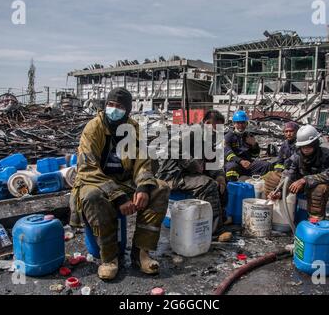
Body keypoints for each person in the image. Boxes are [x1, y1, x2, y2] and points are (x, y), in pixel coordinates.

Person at [69, 87, 170, 280]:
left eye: (120, 106)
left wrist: (143, 187)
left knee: (161, 188)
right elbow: (88, 168)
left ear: (128, 110)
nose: (114, 109)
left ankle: (141, 253)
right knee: (92, 196)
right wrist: (120, 197)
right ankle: (109, 258)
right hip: (96, 181)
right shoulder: (94, 127)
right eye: (110, 105)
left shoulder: (133, 128)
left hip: (124, 181)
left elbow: (142, 161)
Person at [156, 109, 230, 239]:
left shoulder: (208, 140)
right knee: (208, 184)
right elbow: (172, 147)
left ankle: (221, 218)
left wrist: (220, 176)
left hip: (190, 176)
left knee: (221, 182)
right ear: (207, 123)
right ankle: (215, 232)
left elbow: (213, 164)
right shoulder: (190, 133)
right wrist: (191, 163)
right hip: (173, 176)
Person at [267, 124, 329, 222]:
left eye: (309, 146)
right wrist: (280, 190)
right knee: (273, 178)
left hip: (321, 183)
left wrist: (305, 180)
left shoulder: (326, 153)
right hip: (301, 182)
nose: (306, 149)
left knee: (318, 191)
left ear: (315, 143)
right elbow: (289, 174)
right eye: (303, 146)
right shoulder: (297, 155)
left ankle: (315, 223)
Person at [224, 110, 272, 181]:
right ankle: (231, 188)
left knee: (266, 165)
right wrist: (241, 161)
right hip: (235, 163)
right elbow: (227, 154)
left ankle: (258, 186)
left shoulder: (249, 136)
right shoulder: (228, 136)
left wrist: (254, 145)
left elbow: (255, 155)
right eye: (238, 123)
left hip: (248, 163)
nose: (241, 125)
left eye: (243, 123)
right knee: (231, 167)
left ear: (246, 124)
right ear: (234, 124)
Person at [264, 121, 299, 195]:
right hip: (285, 172)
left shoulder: (300, 144)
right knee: (269, 177)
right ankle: (270, 200)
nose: (288, 134)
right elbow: (279, 161)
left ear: (296, 132)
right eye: (286, 131)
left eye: (291, 131)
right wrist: (278, 171)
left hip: (296, 173)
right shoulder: (285, 144)